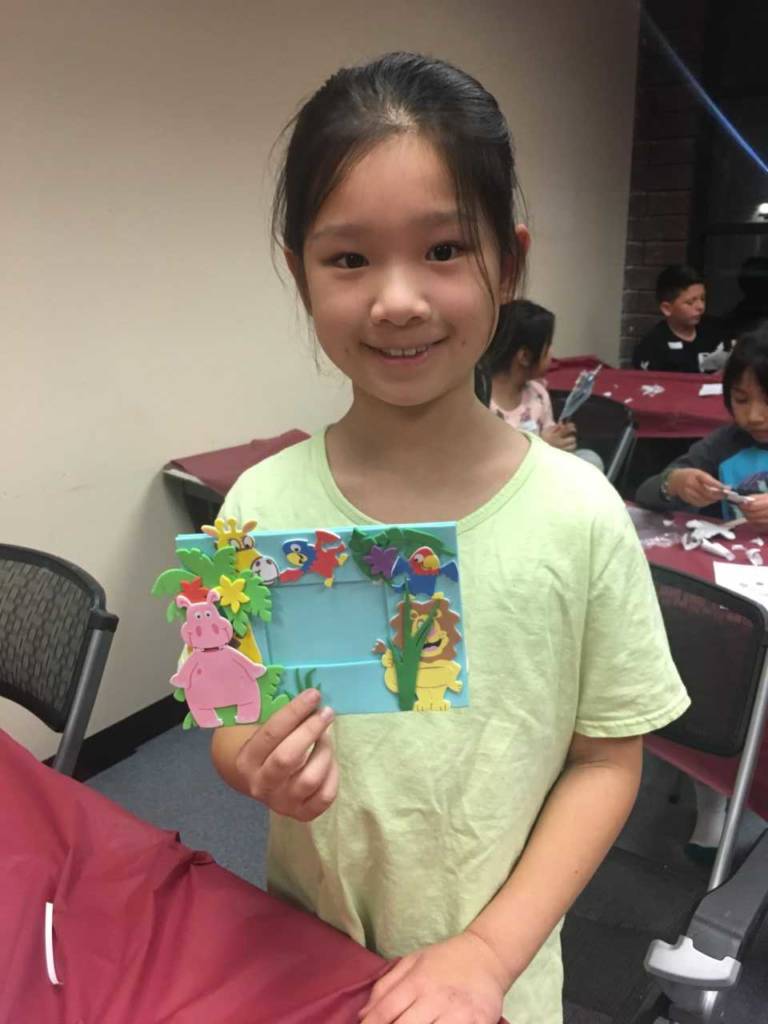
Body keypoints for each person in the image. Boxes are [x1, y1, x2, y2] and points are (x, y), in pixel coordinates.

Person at [209, 52, 689, 1024]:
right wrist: (247, 759)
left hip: (495, 984)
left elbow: (608, 759)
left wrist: (483, 952)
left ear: (508, 262)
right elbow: (227, 712)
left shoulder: (581, 512)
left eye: (441, 251)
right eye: (348, 257)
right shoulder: (256, 505)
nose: (396, 298)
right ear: (299, 271)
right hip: (304, 964)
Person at [635, 326, 768, 528]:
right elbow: (645, 494)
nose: (753, 416)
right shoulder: (726, 443)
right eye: (741, 400)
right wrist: (675, 483)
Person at [486, 298, 604, 469]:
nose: (552, 353)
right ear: (525, 356)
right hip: (505, 479)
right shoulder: (482, 402)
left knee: (591, 460)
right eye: (547, 346)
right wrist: (543, 446)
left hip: (542, 469)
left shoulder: (537, 394)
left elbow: (548, 431)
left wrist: (559, 436)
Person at [632, 264, 729, 373]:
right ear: (667, 309)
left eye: (703, 299)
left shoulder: (715, 331)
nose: (700, 307)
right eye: (690, 302)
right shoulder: (652, 346)